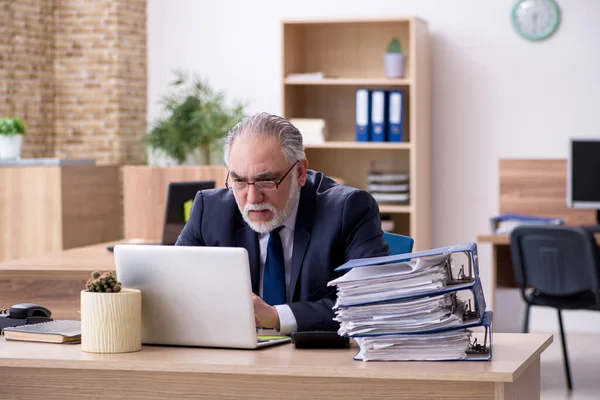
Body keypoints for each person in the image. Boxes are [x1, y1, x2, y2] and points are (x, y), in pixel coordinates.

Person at [175, 112, 389, 334]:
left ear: (300, 172)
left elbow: (370, 302)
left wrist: (277, 317)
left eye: (266, 181)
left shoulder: (349, 209)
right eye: (239, 181)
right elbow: (173, 288)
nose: (252, 198)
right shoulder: (209, 210)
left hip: (314, 360)